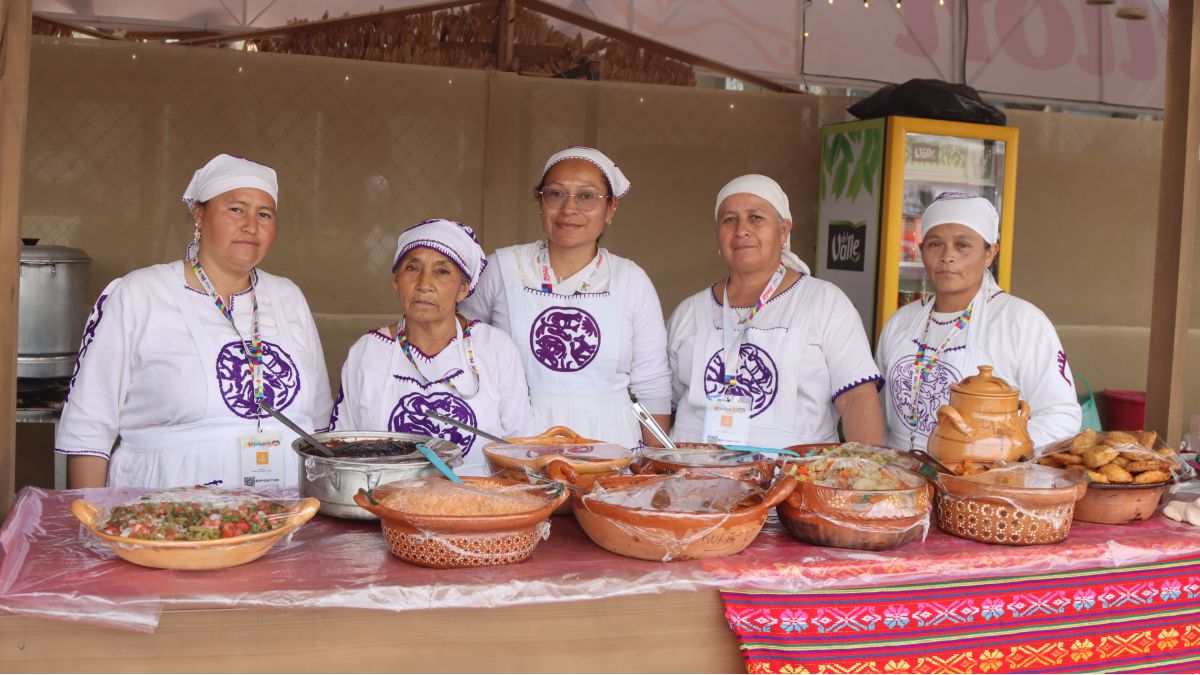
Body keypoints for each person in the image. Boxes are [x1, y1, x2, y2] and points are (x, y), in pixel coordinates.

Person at [56, 154, 333, 489]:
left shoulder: (288, 297)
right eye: (236, 209)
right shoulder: (139, 294)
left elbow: (319, 425)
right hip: (162, 518)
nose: (251, 225)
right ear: (199, 214)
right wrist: (90, 528)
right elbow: (89, 427)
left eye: (264, 214)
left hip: (287, 516)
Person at [460, 146, 671, 448]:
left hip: (611, 443)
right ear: (541, 202)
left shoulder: (631, 280)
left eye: (587, 196)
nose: (569, 208)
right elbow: (463, 352)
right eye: (556, 194)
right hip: (518, 438)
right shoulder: (502, 268)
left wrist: (657, 470)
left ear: (611, 209)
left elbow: (653, 385)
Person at [668, 174, 884, 447]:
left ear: (784, 231)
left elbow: (856, 399)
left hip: (793, 479)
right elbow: (664, 402)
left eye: (756, 218)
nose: (741, 230)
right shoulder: (689, 311)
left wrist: (864, 474)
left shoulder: (824, 302)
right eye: (729, 220)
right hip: (695, 480)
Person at [876, 192, 1081, 450]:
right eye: (934, 244)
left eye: (962, 245)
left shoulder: (1022, 322)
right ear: (921, 252)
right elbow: (878, 411)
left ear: (989, 254)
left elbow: (1061, 416)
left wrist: (991, 454)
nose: (947, 256)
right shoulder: (901, 322)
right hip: (901, 481)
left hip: (985, 483)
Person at [330, 218, 537, 475]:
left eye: (442, 271)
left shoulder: (495, 349)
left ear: (463, 288)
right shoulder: (368, 351)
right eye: (412, 268)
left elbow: (521, 448)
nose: (424, 283)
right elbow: (340, 449)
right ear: (396, 282)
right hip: (386, 505)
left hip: (477, 506)